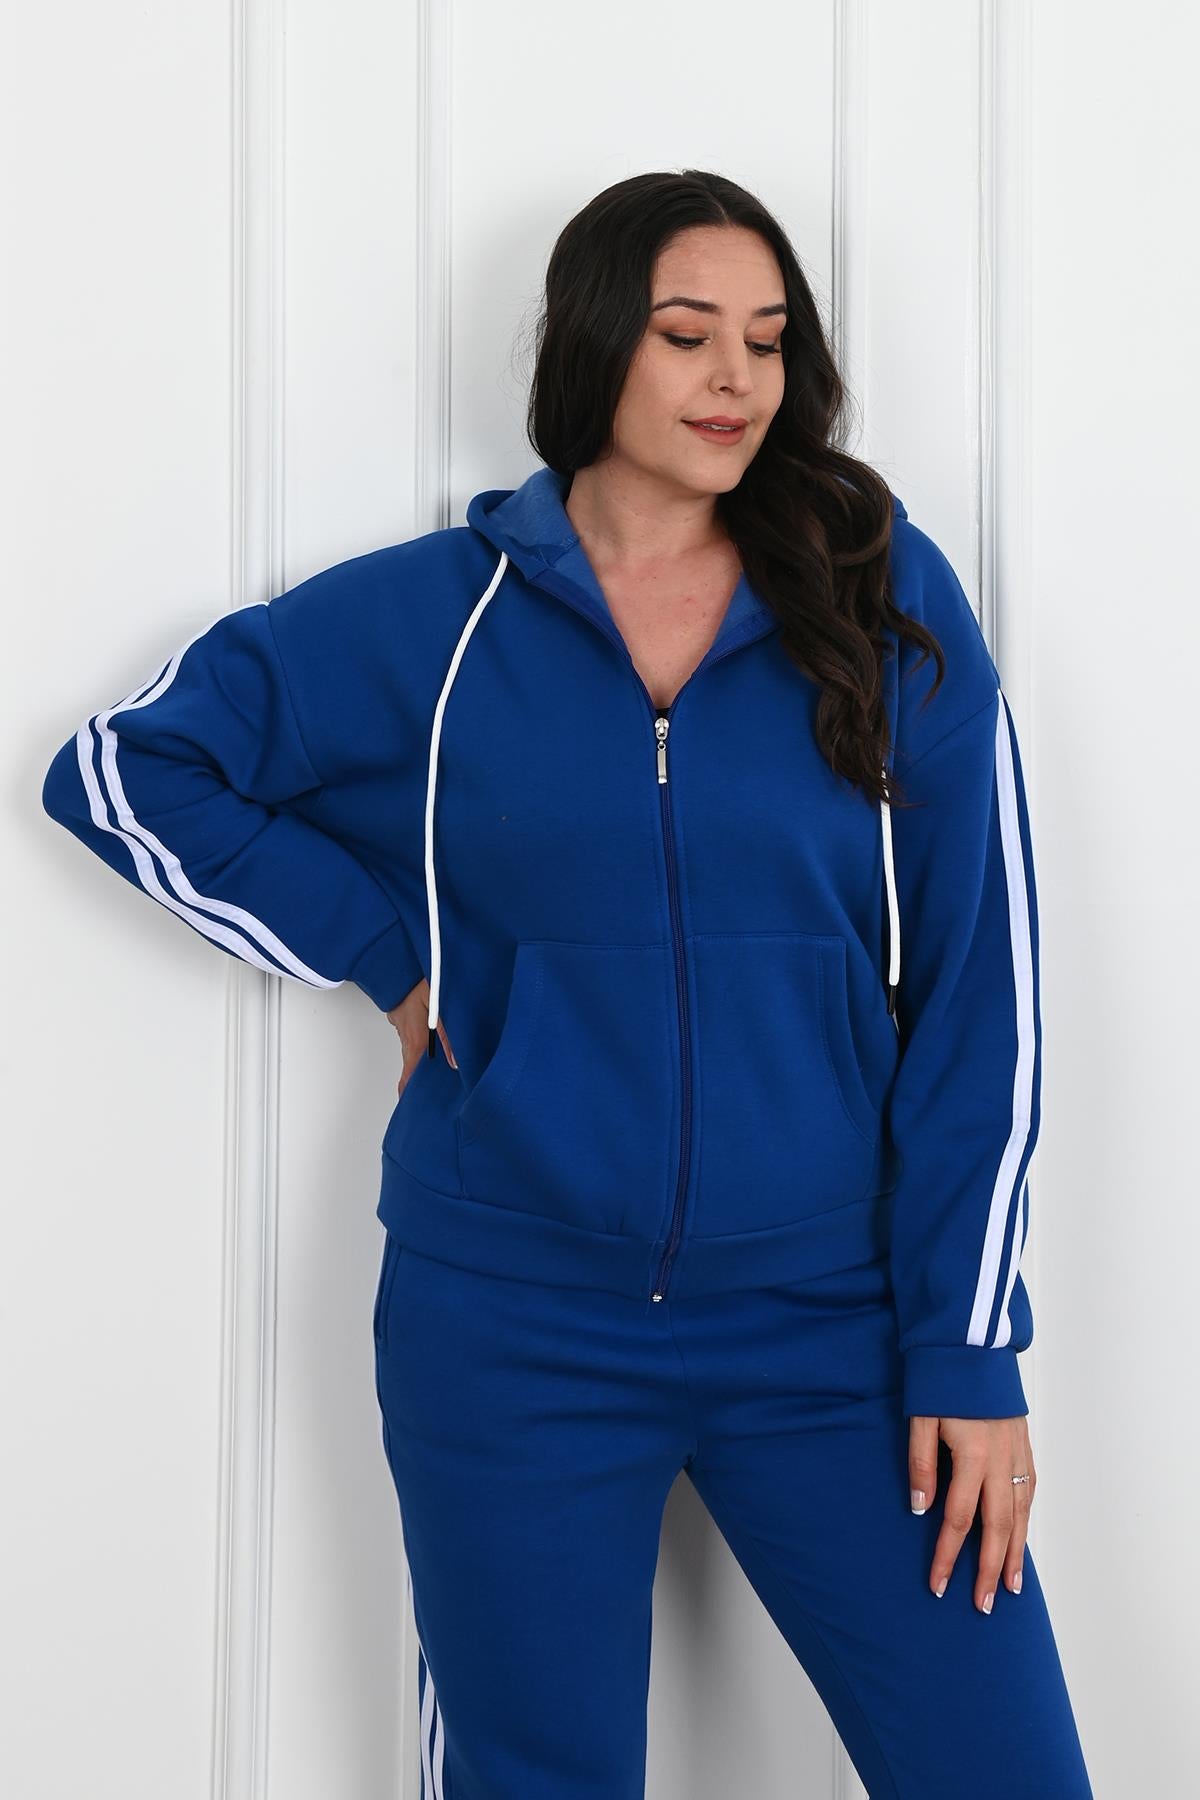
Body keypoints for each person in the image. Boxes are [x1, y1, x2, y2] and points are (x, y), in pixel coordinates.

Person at [41, 169, 1093, 1798]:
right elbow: (122, 770)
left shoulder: (878, 599)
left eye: (767, 339)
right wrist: (390, 956)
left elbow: (984, 987)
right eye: (688, 334)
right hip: (511, 1327)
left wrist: (968, 1346)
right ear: (597, 342)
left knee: (1003, 1769)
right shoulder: (434, 620)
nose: (737, 378)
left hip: (840, 1327)